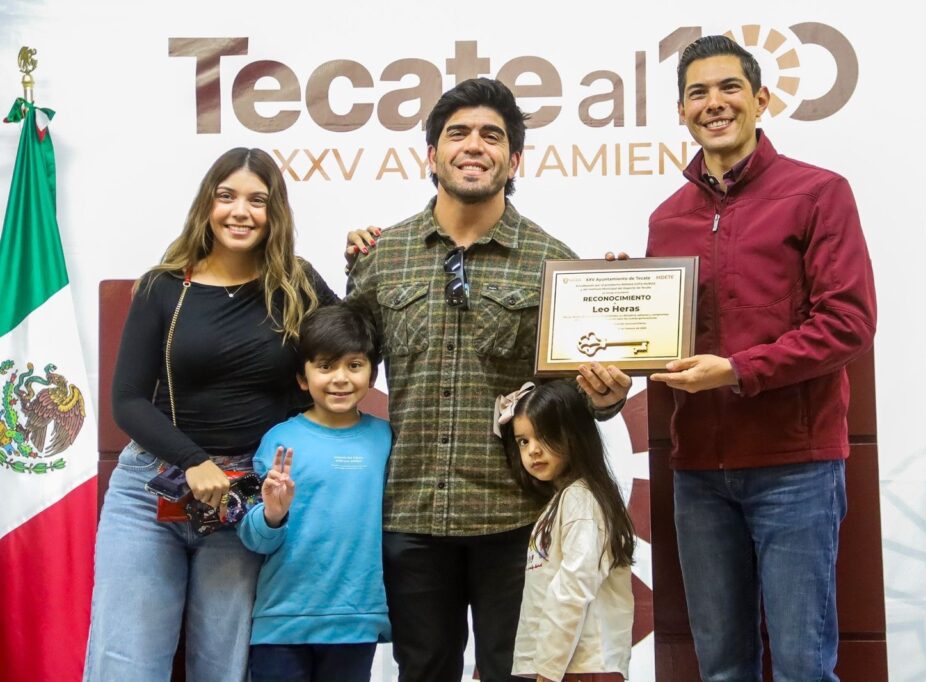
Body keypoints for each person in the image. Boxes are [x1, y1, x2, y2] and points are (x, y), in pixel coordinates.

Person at [345, 77, 632, 681]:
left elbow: (573, 395)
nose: (474, 145)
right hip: (412, 514)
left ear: (514, 160)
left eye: (492, 136)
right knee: (422, 672)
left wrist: (605, 397)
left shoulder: (554, 260)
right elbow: (341, 366)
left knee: (516, 673)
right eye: (458, 134)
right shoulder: (383, 255)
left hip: (518, 517)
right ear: (432, 155)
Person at [645, 36, 877, 681]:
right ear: (682, 111)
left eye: (730, 88)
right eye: (698, 93)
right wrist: (619, 306)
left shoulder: (818, 193)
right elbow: (663, 336)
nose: (714, 103)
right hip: (699, 472)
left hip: (795, 467)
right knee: (722, 670)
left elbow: (849, 323)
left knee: (804, 669)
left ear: (761, 99)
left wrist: (738, 370)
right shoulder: (667, 218)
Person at [85, 147, 338, 682]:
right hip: (152, 489)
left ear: (275, 212)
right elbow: (126, 400)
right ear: (207, 204)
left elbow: (350, 353)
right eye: (227, 196)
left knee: (224, 668)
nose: (240, 211)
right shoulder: (163, 286)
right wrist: (194, 461)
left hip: (243, 502)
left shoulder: (297, 285)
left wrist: (364, 264)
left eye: (257, 200)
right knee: (125, 665)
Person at [239, 301, 391, 682]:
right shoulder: (279, 439)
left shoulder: (385, 438)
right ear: (302, 378)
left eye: (354, 365)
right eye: (325, 366)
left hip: (354, 622)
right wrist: (273, 514)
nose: (340, 378)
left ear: (372, 374)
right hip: (282, 621)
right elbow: (254, 539)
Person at [495, 381, 634, 682]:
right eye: (523, 441)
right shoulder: (563, 500)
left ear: (575, 434)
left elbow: (573, 588)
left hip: (582, 666)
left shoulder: (582, 500)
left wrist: (548, 669)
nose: (533, 450)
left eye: (546, 436)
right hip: (562, 665)